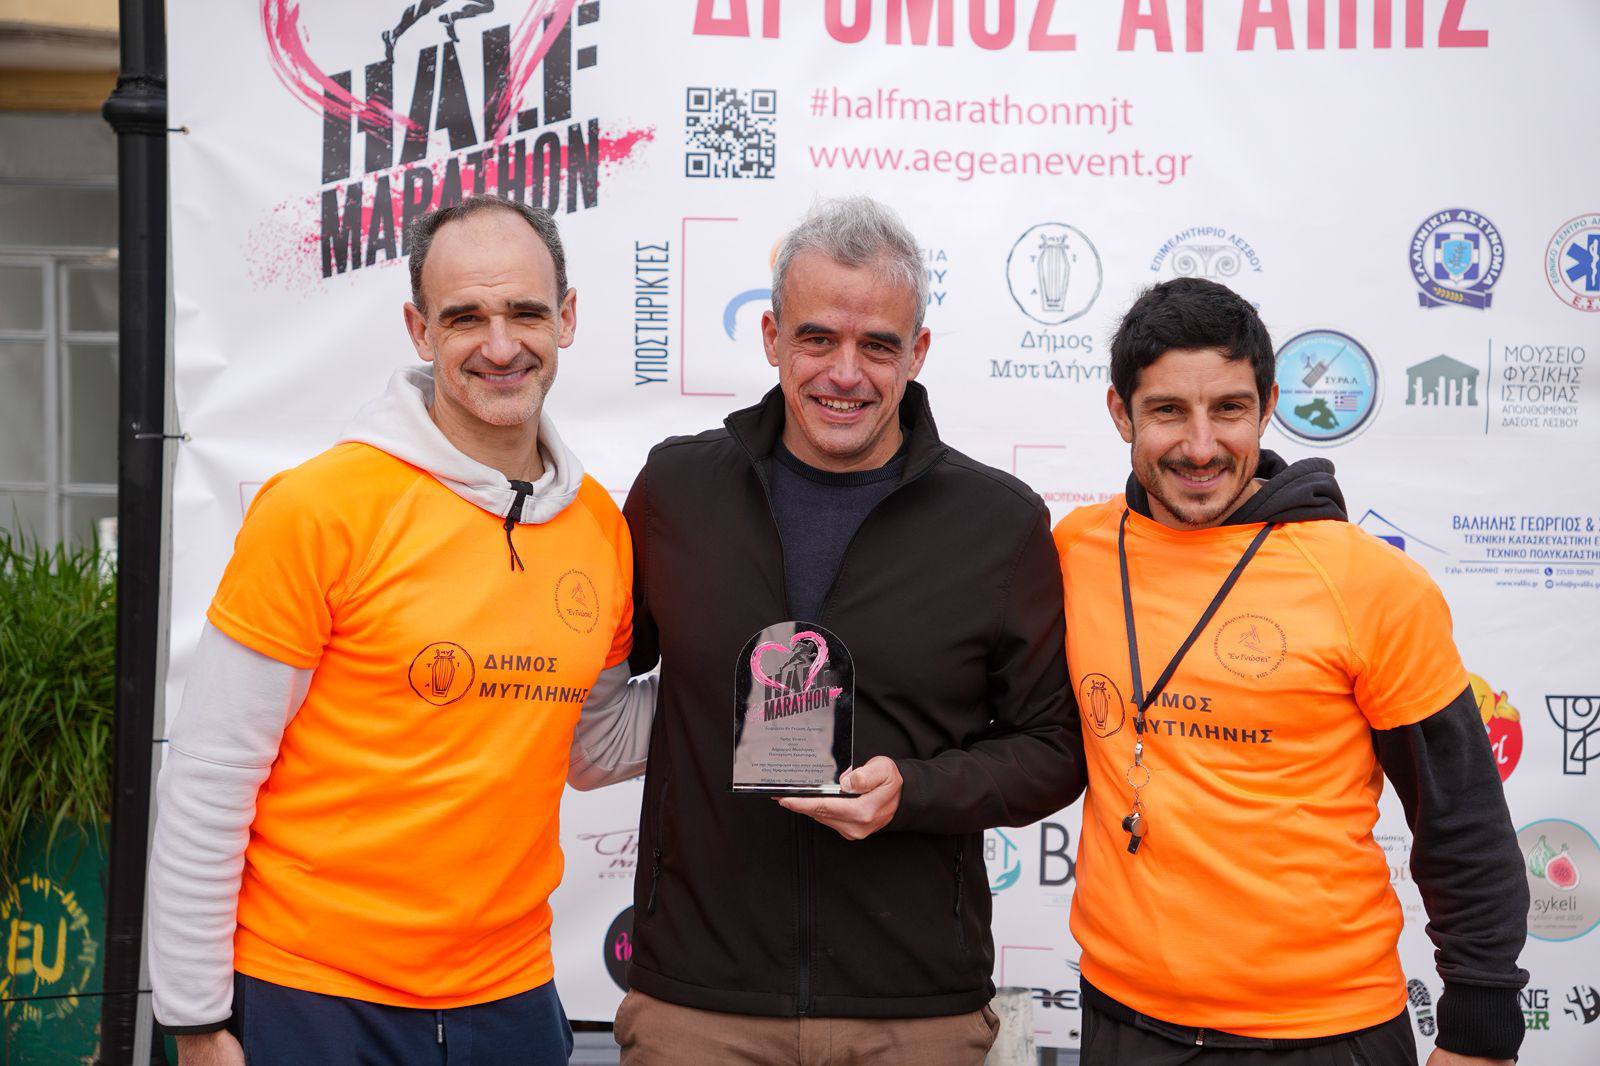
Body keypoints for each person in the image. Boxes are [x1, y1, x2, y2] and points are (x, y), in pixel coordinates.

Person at [146, 196, 653, 1065]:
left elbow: (596, 743)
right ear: (421, 330)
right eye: (466, 318)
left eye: (526, 312)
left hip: (511, 999)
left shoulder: (600, 528)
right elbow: (209, 775)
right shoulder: (320, 509)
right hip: (310, 994)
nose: (501, 346)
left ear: (566, 318)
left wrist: (768, 694)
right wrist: (195, 1021)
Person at [613, 196, 1085, 1065]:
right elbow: (587, 675)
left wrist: (916, 791)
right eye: (817, 338)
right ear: (771, 338)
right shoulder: (677, 491)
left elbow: (1054, 748)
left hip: (914, 1011)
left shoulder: (998, 523)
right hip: (698, 1003)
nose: (845, 373)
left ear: (919, 352)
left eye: (878, 346)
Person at [1054, 277, 1528, 1065]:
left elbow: (1461, 816)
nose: (1200, 446)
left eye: (1229, 409)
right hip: (1124, 1022)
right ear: (1120, 413)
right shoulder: (1076, 551)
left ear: (1269, 406)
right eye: (1167, 410)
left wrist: (1481, 1029)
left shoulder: (1369, 582)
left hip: (1325, 1033)